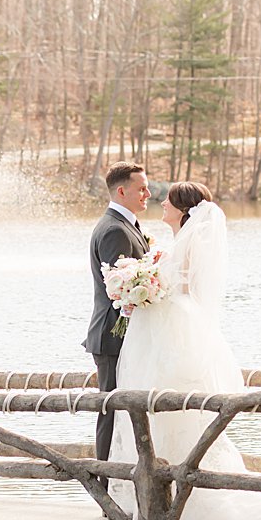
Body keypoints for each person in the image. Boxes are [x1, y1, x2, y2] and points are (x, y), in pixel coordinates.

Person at [107, 181, 261, 520]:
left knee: (176, 412)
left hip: (173, 337)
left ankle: (186, 497)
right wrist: (142, 284)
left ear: (184, 210)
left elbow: (178, 291)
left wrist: (144, 288)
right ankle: (163, 492)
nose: (161, 204)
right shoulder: (179, 245)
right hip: (167, 336)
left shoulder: (186, 249)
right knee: (162, 415)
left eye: (167, 202)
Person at [85, 161, 151, 463]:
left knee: (122, 410)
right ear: (122, 191)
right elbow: (119, 291)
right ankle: (106, 483)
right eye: (141, 188)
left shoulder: (126, 225)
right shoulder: (114, 230)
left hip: (125, 336)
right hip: (114, 336)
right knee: (110, 412)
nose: (148, 193)